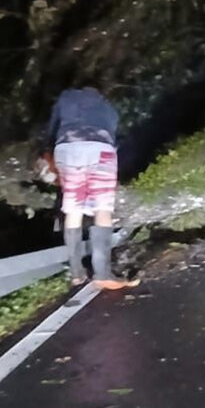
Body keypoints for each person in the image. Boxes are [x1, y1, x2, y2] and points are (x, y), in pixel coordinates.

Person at [41, 87, 139, 289]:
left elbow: (51, 128)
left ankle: (76, 272)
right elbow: (113, 134)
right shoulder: (108, 108)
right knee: (102, 209)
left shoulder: (65, 97)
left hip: (67, 149)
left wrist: (48, 148)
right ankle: (102, 273)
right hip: (99, 148)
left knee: (73, 208)